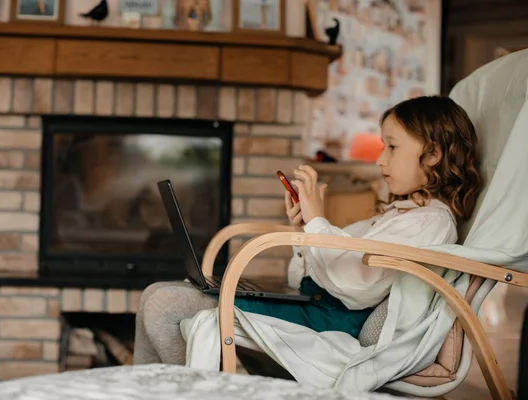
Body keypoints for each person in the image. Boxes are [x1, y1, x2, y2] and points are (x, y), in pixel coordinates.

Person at [133, 95, 482, 366]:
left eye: (391, 146)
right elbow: (324, 266)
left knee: (165, 304)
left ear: (433, 154)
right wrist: (304, 229)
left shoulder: (430, 223)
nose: (380, 160)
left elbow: (357, 288)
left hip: (332, 321)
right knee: (154, 294)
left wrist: (317, 224)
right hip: (317, 306)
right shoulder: (401, 214)